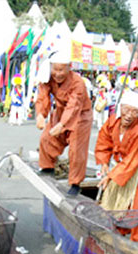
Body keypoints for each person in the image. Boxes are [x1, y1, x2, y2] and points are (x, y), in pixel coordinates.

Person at [95, 90, 138, 242]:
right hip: (118, 168)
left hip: (136, 171)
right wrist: (104, 164)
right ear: (120, 107)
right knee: (115, 203)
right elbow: (103, 143)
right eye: (126, 110)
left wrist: (111, 176)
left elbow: (134, 159)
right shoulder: (112, 122)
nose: (129, 115)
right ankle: (118, 232)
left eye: (135, 112)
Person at [35, 47, 93, 197]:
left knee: (76, 149)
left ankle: (75, 182)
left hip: (80, 115)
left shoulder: (78, 83)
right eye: (55, 69)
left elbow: (74, 106)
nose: (58, 74)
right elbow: (43, 96)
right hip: (60, 111)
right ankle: (47, 167)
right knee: (47, 138)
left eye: (62, 70)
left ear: (69, 68)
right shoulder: (48, 77)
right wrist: (41, 114)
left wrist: (62, 125)